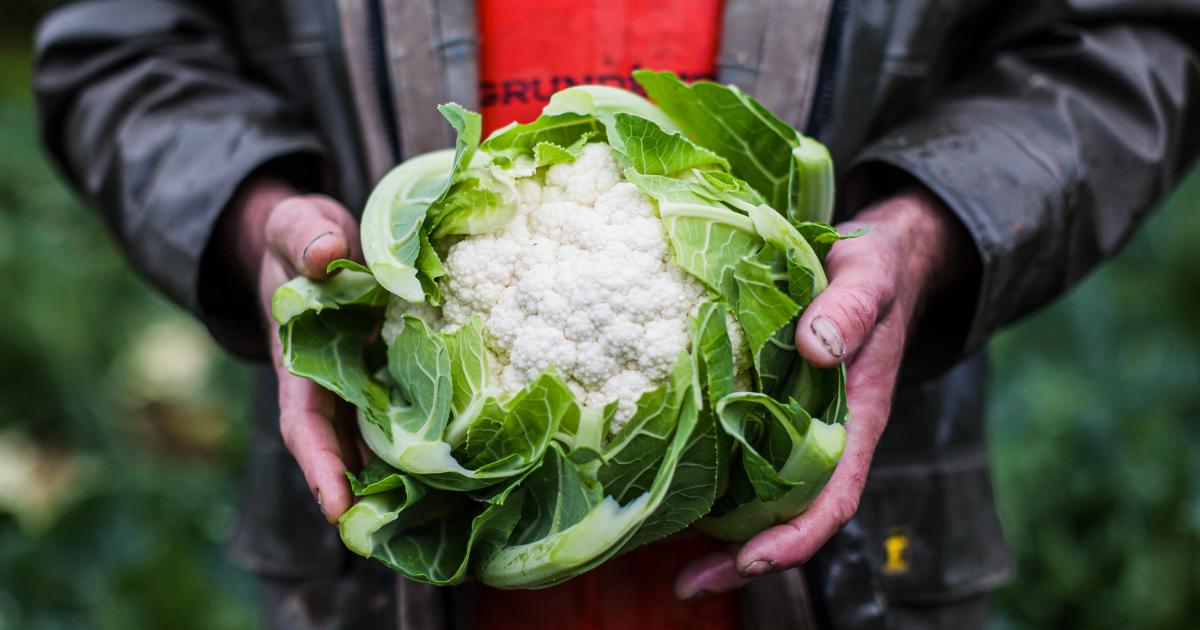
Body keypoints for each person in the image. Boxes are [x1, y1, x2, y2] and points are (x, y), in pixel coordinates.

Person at [32, 1, 1200, 628]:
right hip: (370, 599)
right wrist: (258, 222)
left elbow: (1132, 30)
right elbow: (122, 41)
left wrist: (929, 227)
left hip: (868, 579)